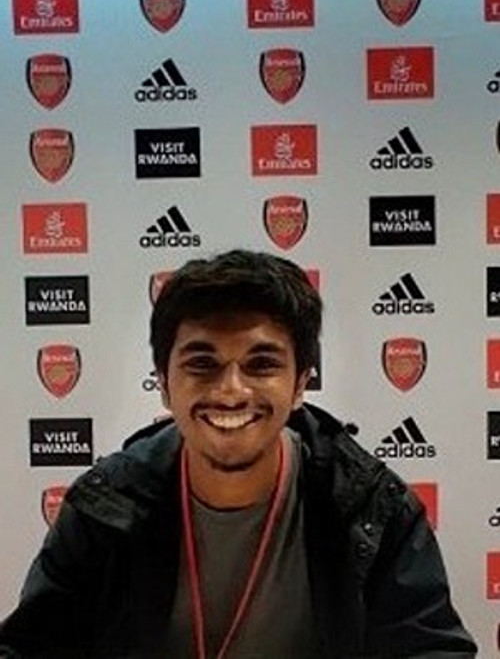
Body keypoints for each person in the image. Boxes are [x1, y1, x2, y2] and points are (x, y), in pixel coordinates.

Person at [0, 249, 477, 658]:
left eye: (261, 364)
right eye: (202, 364)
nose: (231, 391)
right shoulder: (104, 508)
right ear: (163, 385)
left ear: (300, 384)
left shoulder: (369, 506)